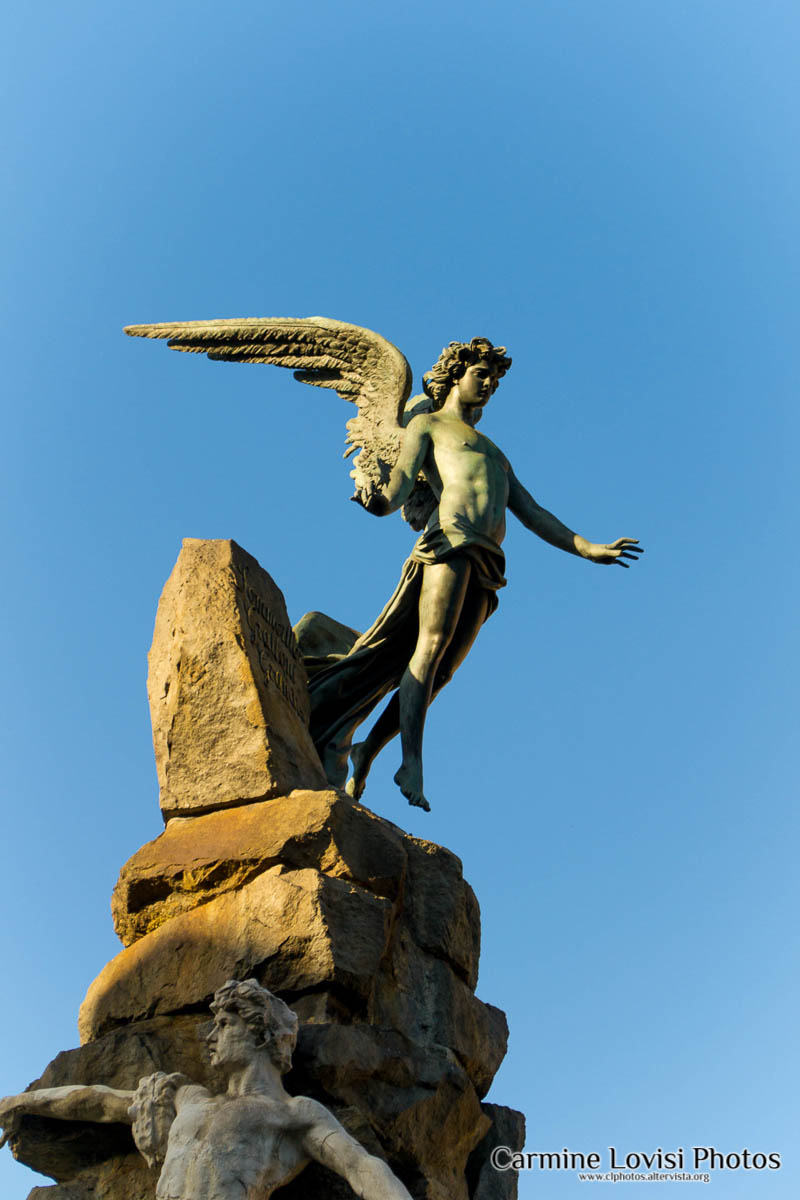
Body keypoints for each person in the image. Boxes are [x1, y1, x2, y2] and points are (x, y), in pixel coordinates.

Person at [307, 338, 643, 811]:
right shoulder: (427, 426)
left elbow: (531, 511)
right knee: (429, 645)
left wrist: (586, 547)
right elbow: (401, 484)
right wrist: (378, 501)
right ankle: (412, 762)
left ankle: (367, 749)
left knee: (440, 672)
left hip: (487, 560)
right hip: (449, 542)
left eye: (495, 380)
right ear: (455, 375)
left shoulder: (494, 452)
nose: (488, 385)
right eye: (480, 374)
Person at [0, 979, 413, 1200]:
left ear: (260, 1033)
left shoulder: (293, 1113)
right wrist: (22, 1101)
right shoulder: (188, 1097)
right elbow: (100, 1101)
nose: (210, 1037)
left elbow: (363, 1168)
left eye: (224, 1025)